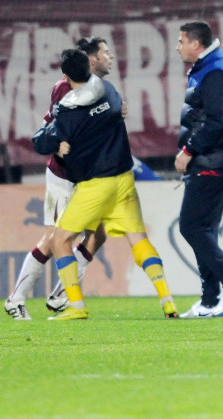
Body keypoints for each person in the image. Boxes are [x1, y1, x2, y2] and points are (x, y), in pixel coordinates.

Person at [32, 49, 179, 320]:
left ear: (65, 76)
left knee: (61, 240)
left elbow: (40, 141)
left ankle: (76, 306)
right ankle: (167, 300)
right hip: (124, 180)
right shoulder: (109, 92)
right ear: (89, 67)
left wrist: (55, 142)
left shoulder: (67, 113)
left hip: (95, 185)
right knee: (138, 240)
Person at [4, 37, 116, 320]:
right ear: (91, 60)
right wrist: (56, 143)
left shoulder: (101, 90)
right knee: (55, 237)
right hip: (63, 176)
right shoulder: (64, 89)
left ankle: (60, 294)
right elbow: (50, 126)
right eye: (105, 53)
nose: (110, 57)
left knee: (98, 234)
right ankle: (16, 299)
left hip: (86, 177)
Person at [175, 21, 223, 318]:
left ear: (196, 44)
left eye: (181, 40)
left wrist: (189, 150)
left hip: (212, 161)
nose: (178, 46)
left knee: (191, 227)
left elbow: (218, 120)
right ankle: (210, 299)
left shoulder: (214, 72)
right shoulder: (213, 68)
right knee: (203, 229)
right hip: (215, 160)